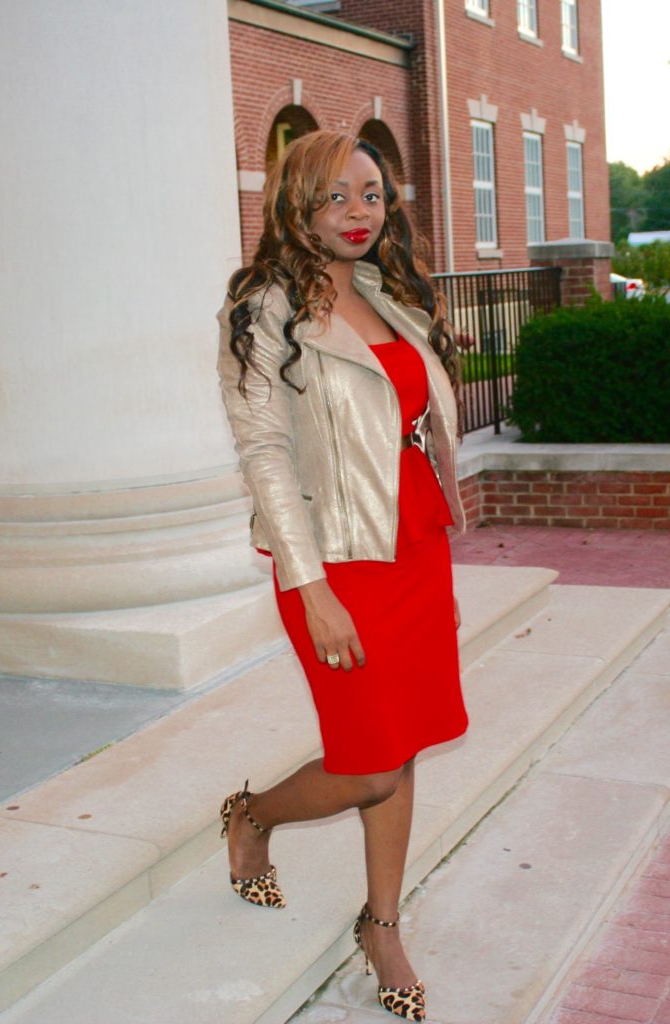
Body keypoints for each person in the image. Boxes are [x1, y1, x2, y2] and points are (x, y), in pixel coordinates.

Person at [215, 129, 468, 1022]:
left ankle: (381, 920)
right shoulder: (262, 312)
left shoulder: (390, 292)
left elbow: (399, 415)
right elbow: (264, 452)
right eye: (335, 197)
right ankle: (252, 817)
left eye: (371, 193)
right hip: (332, 558)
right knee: (365, 764)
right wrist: (309, 583)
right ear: (296, 205)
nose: (359, 213)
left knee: (397, 746)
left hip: (411, 540)